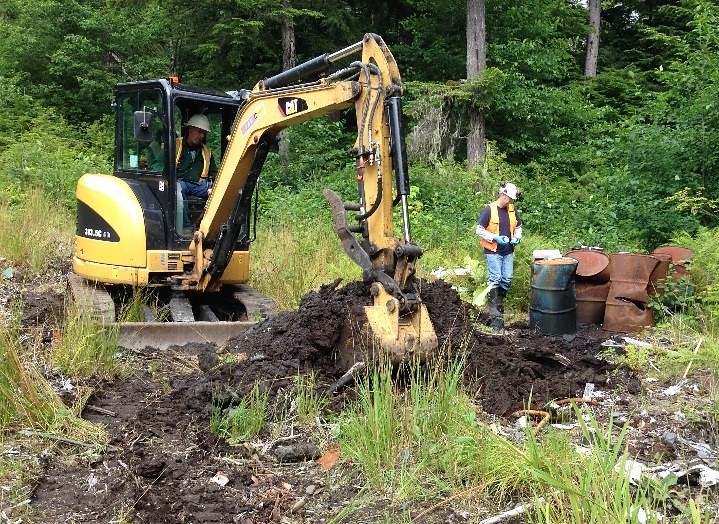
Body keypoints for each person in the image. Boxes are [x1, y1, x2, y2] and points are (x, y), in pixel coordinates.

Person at [476, 181, 523, 332]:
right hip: (493, 251)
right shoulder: (489, 209)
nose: (510, 201)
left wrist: (517, 237)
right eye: (508, 198)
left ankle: (499, 303)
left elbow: (518, 227)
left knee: (507, 279)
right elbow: (479, 230)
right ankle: (494, 313)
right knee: (495, 278)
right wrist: (494, 238)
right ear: (502, 195)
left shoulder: (512, 210)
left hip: (507, 251)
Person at [175, 114, 218, 229]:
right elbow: (158, 165)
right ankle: (185, 227)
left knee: (219, 192)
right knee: (179, 188)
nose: (201, 136)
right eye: (199, 131)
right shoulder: (175, 145)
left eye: (204, 133)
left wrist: (215, 187)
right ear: (190, 129)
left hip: (199, 186)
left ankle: (213, 228)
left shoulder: (206, 151)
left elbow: (214, 173)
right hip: (180, 183)